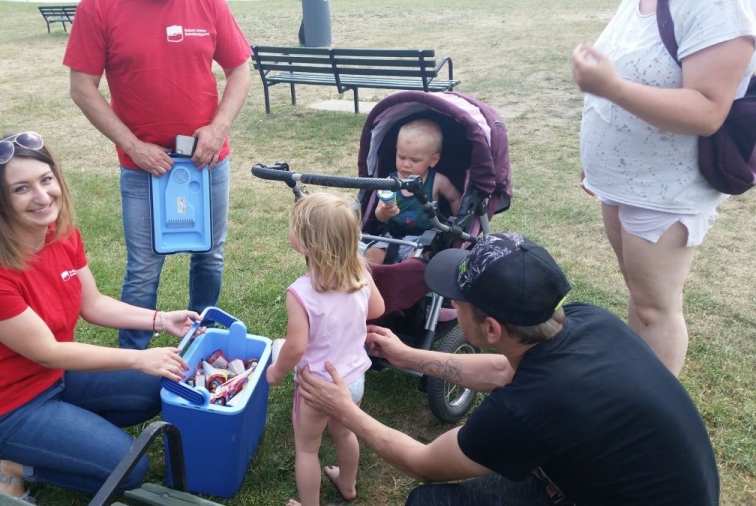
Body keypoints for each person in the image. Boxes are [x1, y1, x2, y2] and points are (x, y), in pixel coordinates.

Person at [298, 232, 720, 506]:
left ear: (491, 328)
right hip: (659, 487)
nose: (452, 304)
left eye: (458, 302)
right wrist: (410, 356)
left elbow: (423, 462)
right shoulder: (588, 319)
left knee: (428, 502)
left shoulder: (524, 410)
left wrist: (346, 410)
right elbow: (502, 370)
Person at [0, 132, 204, 501]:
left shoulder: (59, 233)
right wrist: (138, 358)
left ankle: (64, 432)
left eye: (46, 180)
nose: (42, 196)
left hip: (56, 378)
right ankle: (11, 464)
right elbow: (48, 352)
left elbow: (93, 304)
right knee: (129, 469)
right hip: (9, 408)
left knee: (160, 385)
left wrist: (160, 320)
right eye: (21, 189)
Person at [570, 0, 756, 376]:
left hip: (665, 190)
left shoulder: (721, 6)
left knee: (657, 309)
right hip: (626, 182)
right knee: (642, 298)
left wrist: (612, 87)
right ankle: (638, 384)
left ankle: (653, 406)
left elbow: (708, 110)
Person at [63, 0, 252, 351]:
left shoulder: (209, 3)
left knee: (210, 255)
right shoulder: (99, 7)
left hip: (205, 160)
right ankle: (133, 359)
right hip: (142, 166)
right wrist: (132, 145)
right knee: (143, 268)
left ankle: (201, 340)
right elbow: (82, 87)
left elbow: (240, 69)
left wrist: (218, 128)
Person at [265, 193, 385, 506]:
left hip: (316, 386)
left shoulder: (301, 292)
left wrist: (276, 372)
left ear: (305, 244)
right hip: (353, 380)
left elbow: (295, 347)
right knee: (345, 433)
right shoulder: (361, 272)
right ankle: (347, 485)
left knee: (307, 448)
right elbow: (378, 308)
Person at [364, 119, 462, 265]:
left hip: (424, 237)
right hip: (391, 234)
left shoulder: (437, 181)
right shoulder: (390, 182)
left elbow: (455, 198)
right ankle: (372, 276)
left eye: (415, 160)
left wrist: (457, 222)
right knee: (371, 255)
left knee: (416, 261)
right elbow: (379, 217)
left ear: (433, 160)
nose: (406, 164)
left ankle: (404, 272)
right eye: (401, 157)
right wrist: (384, 212)